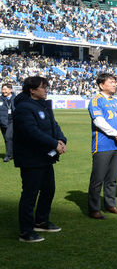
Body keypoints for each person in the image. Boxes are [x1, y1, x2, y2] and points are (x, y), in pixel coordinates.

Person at [14, 76, 66, 242]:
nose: (46, 90)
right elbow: (31, 132)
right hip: (31, 157)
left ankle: (41, 221)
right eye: (43, 87)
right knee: (30, 194)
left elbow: (54, 125)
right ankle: (26, 231)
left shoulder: (43, 105)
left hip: (46, 156)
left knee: (49, 189)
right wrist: (53, 143)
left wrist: (61, 140)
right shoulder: (23, 107)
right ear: (32, 89)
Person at [88, 73, 117, 219]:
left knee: (112, 177)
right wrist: (115, 133)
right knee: (98, 178)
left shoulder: (116, 102)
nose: (114, 84)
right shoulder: (95, 100)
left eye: (115, 82)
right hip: (103, 144)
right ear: (101, 85)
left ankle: (110, 204)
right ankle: (94, 208)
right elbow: (98, 121)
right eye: (111, 82)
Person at [1, 83, 15, 162]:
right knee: (7, 139)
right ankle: (12, 154)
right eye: (2, 89)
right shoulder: (0, 99)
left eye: (5, 89)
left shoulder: (16, 98)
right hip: (3, 122)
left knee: (8, 137)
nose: (4, 91)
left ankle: (8, 155)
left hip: (12, 121)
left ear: (10, 90)